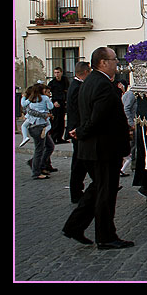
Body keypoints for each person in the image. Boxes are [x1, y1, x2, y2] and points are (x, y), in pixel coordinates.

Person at [62, 47, 134, 249]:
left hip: (96, 147)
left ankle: (74, 226)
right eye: (113, 60)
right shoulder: (102, 85)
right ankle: (105, 236)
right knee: (105, 193)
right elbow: (97, 119)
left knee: (97, 189)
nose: (116, 64)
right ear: (102, 62)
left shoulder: (92, 81)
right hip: (102, 148)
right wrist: (81, 131)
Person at [66, 61, 90, 204]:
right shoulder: (76, 88)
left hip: (77, 129)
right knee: (79, 162)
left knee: (81, 160)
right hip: (77, 130)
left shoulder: (76, 86)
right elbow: (77, 111)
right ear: (85, 72)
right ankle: (76, 192)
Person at [21, 83, 54, 180]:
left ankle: (40, 165)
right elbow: (29, 111)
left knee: (49, 146)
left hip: (40, 125)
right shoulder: (36, 99)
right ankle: (36, 171)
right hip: (37, 126)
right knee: (39, 149)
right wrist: (45, 115)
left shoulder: (33, 99)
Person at [48, 67, 70, 144]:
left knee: (61, 121)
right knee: (55, 121)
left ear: (61, 73)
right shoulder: (52, 83)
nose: (57, 74)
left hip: (63, 102)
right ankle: (53, 138)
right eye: (55, 73)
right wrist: (53, 102)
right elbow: (48, 94)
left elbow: (67, 90)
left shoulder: (65, 81)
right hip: (55, 103)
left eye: (58, 72)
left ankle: (60, 138)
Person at [121, 82, 136, 176]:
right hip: (131, 123)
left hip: (131, 122)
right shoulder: (131, 94)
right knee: (133, 145)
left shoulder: (129, 94)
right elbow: (126, 108)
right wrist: (131, 123)